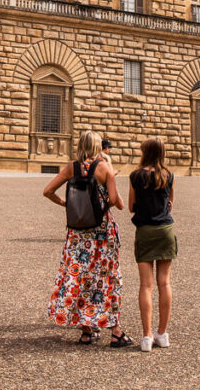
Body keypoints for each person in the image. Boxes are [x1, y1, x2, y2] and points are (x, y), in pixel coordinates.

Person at [43, 131, 134, 347]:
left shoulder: (71, 167)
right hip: (102, 231)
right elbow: (114, 200)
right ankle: (116, 332)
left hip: (77, 232)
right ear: (97, 147)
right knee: (106, 278)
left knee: (80, 276)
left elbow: (47, 191)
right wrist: (101, 205)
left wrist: (67, 203)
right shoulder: (104, 168)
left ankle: (86, 331)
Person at [129, 136, 177, 353]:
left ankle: (147, 336)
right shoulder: (169, 175)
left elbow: (131, 206)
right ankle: (163, 334)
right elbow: (170, 204)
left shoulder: (136, 176)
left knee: (146, 286)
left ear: (144, 152)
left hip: (145, 231)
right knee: (164, 283)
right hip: (166, 230)